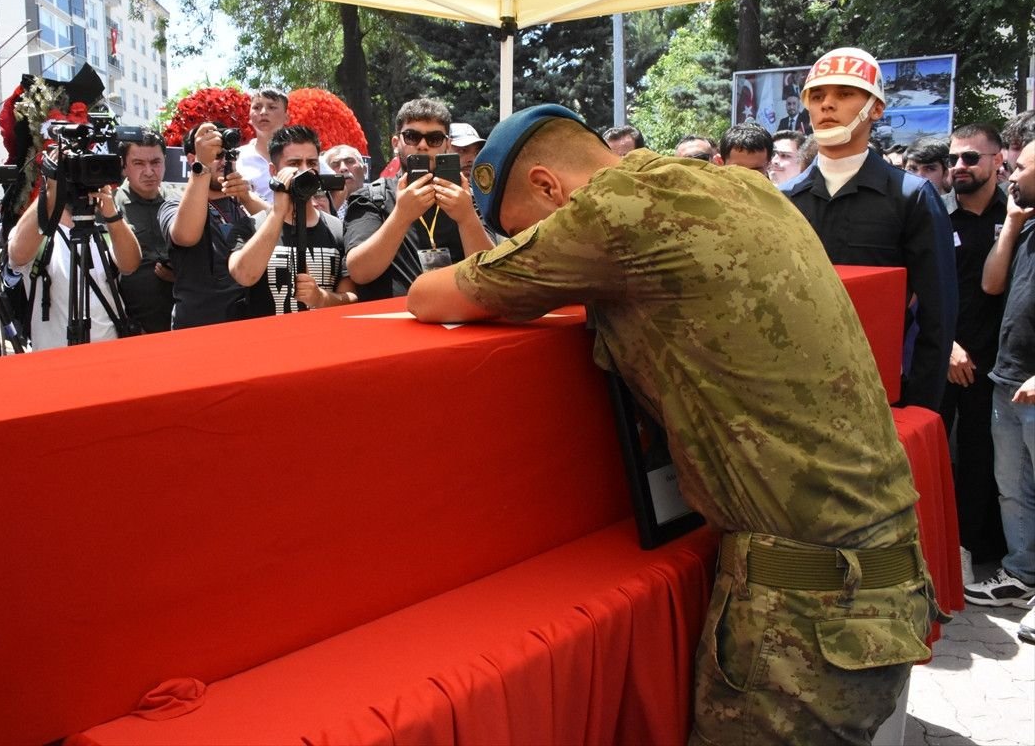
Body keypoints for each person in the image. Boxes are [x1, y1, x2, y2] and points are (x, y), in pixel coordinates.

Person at [407, 103, 941, 745]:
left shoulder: (611, 210)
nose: (541, 242)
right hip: (880, 576)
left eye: (530, 230)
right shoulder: (740, 184)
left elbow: (430, 295)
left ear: (549, 186)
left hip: (805, 609)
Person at [779, 46, 956, 412]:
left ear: (876, 108)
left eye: (845, 94)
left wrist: (921, 410)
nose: (827, 105)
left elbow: (937, 317)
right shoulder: (782, 200)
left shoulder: (912, 197)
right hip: (795, 394)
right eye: (817, 95)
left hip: (881, 397)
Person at [940, 123, 1010, 584]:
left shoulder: (1020, 216)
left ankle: (974, 550)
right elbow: (916, 290)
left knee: (985, 462)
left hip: (999, 367)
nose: (959, 166)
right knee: (933, 455)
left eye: (971, 158)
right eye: (954, 159)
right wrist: (946, 345)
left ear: (998, 162)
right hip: (941, 358)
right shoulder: (935, 217)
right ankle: (938, 549)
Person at [968, 134, 1035, 613]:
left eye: (1021, 168)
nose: (1010, 174)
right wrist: (1011, 223)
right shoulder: (1024, 227)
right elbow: (992, 284)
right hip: (1008, 380)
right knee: (1013, 490)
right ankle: (1021, 576)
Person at [344, 98, 493, 300]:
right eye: (412, 136)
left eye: (434, 139)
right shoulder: (371, 198)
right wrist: (401, 216)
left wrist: (466, 218)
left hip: (458, 321)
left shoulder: (466, 199)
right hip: (395, 325)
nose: (423, 145)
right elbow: (360, 272)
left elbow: (491, 273)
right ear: (396, 143)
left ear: (447, 145)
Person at [6, 159, 141, 350]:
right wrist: (51, 188)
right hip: (55, 363)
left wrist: (111, 212)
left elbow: (130, 265)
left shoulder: (105, 230)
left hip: (111, 358)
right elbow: (17, 254)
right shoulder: (39, 234)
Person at [230, 125, 357, 315]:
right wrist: (278, 213)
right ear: (274, 171)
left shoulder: (338, 228)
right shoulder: (251, 226)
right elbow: (243, 275)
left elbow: (352, 298)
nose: (305, 171)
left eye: (312, 163)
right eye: (295, 163)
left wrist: (320, 298)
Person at [159, 121, 268, 330]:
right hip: (199, 329)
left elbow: (280, 225)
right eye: (217, 156)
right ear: (192, 160)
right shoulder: (174, 203)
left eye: (229, 155)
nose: (224, 161)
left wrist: (246, 197)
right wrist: (203, 167)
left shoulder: (245, 201)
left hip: (249, 325)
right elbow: (186, 235)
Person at [114, 128, 175, 334]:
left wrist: (180, 275)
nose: (149, 172)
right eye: (138, 163)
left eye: (155, 162)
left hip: (180, 322)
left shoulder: (180, 201)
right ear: (124, 167)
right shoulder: (109, 206)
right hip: (132, 327)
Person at [235, 87, 289, 203]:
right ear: (249, 117)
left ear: (286, 117)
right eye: (257, 107)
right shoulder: (237, 158)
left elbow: (337, 186)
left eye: (272, 107)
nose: (263, 112)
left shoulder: (303, 154)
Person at [322, 143, 367, 217]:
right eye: (335, 165)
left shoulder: (382, 200)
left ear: (364, 170)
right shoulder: (319, 207)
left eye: (349, 161)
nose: (343, 168)